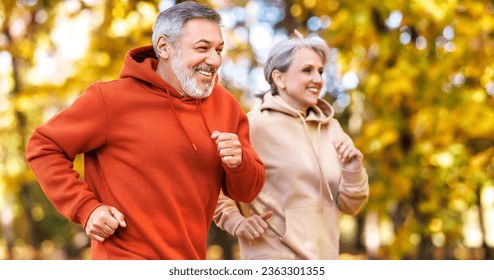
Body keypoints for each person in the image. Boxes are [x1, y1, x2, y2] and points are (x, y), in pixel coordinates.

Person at [25, 1, 265, 260]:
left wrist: (239, 162)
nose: (215, 60)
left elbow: (247, 191)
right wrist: (86, 208)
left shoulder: (226, 106)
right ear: (164, 47)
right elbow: (43, 146)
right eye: (202, 48)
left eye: (219, 49)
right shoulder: (110, 99)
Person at [214, 32, 369, 260]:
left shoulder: (332, 127)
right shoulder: (254, 125)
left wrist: (353, 170)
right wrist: (236, 222)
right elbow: (217, 187)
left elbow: (351, 206)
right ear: (279, 78)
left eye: (320, 71)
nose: (318, 79)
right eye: (307, 70)